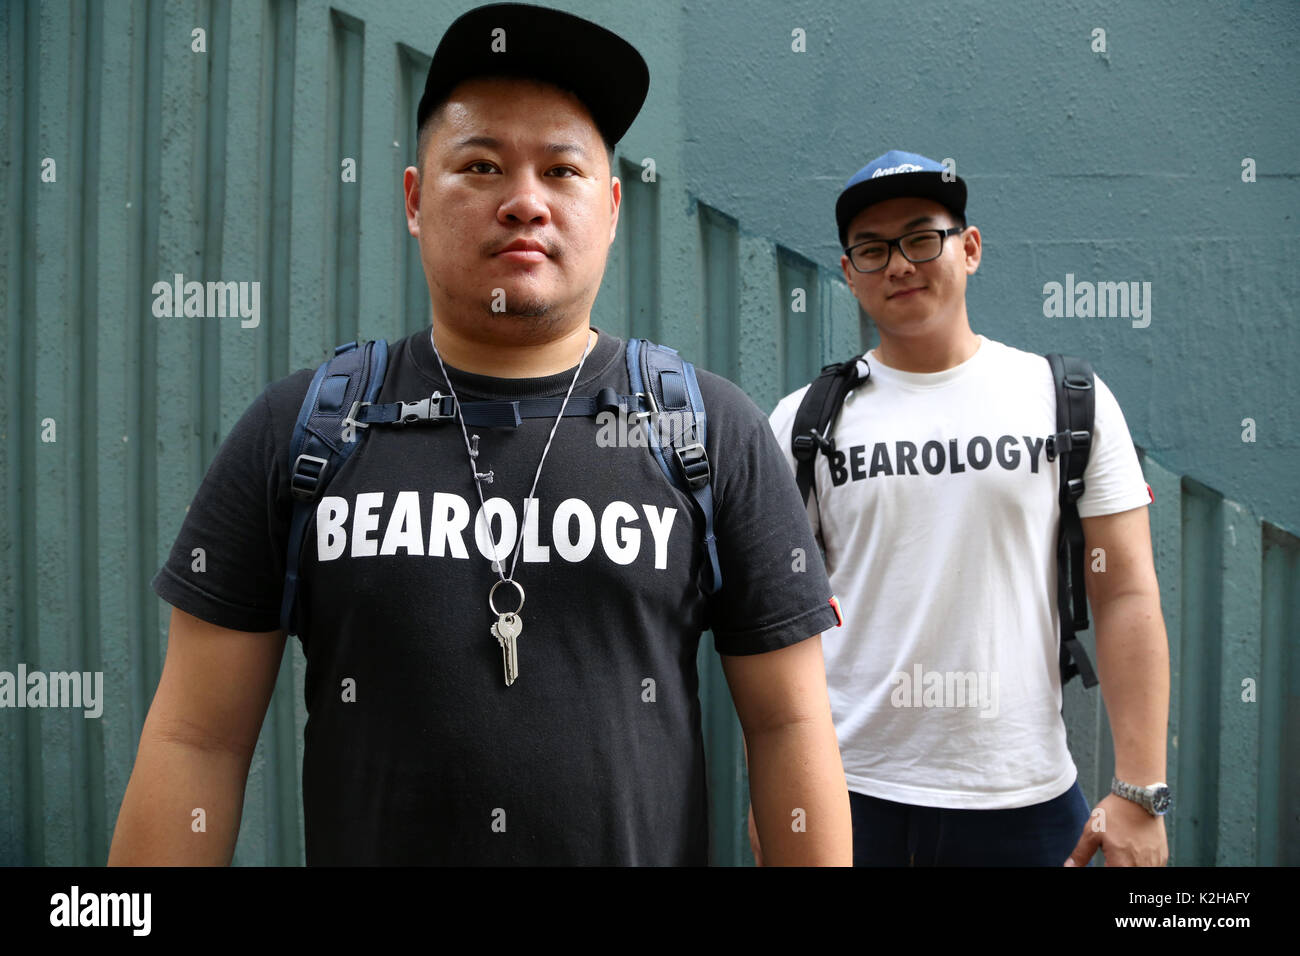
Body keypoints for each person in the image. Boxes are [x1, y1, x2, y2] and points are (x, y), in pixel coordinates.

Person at [108, 2, 851, 866]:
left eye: (562, 171)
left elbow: (790, 724)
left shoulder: (707, 431)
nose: (525, 202)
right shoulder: (302, 430)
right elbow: (197, 739)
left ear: (610, 208)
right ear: (417, 201)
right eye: (483, 165)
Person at [765, 150, 1171, 866]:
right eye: (872, 249)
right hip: (846, 793)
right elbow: (775, 623)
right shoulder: (802, 424)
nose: (899, 264)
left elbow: (1127, 590)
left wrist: (1140, 791)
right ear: (848, 271)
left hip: (1024, 802)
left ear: (970, 248)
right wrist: (782, 800)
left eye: (923, 238)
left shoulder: (1067, 400)